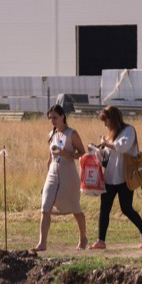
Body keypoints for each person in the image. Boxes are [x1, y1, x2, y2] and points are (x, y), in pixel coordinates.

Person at [89, 105, 142, 248]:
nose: (105, 124)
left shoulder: (129, 131)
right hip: (110, 177)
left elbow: (121, 147)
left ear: (113, 119)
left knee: (126, 209)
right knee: (104, 208)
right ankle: (101, 240)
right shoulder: (111, 134)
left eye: (106, 121)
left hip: (124, 178)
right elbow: (106, 156)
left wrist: (106, 143)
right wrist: (96, 150)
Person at [31, 104, 87, 252]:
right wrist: (48, 171)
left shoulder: (72, 134)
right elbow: (50, 156)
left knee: (75, 208)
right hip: (52, 174)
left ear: (63, 116)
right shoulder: (52, 135)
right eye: (50, 118)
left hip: (68, 174)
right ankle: (42, 243)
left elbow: (82, 153)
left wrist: (67, 154)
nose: (53, 121)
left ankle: (83, 238)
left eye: (55, 118)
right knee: (45, 206)